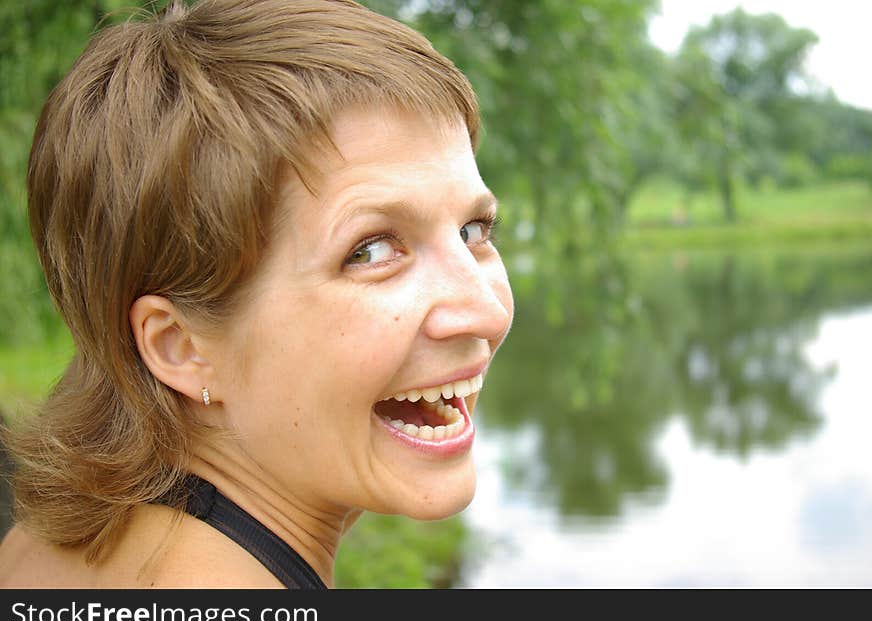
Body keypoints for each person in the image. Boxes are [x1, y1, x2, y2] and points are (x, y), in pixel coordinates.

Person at [0, 0, 513, 588]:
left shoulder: (39, 543)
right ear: (181, 347)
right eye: (370, 251)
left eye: (473, 232)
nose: (487, 310)